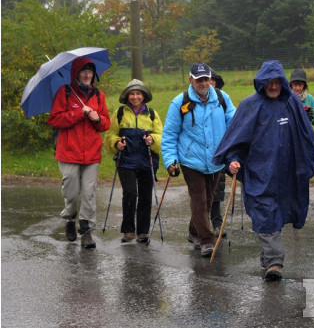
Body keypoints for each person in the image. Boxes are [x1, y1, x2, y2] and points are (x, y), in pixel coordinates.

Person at [213, 60, 314, 281]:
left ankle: (268, 256)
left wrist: (305, 162)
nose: (273, 86)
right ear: (261, 83)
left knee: (277, 214)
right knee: (264, 213)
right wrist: (232, 160)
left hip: (287, 173)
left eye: (277, 82)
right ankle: (274, 262)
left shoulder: (292, 103)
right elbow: (236, 138)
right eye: (268, 82)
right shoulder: (250, 105)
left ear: (283, 83)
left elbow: (305, 136)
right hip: (259, 172)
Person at [161, 62, 236, 257]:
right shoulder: (179, 102)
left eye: (206, 79)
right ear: (190, 80)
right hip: (190, 160)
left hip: (216, 159)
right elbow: (169, 134)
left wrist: (233, 151)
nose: (203, 83)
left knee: (209, 199)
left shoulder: (221, 97)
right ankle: (206, 240)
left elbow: (234, 124)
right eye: (199, 79)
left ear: (211, 80)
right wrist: (171, 160)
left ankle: (194, 231)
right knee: (199, 199)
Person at [48, 56, 110, 249]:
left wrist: (96, 117)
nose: (87, 74)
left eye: (90, 71)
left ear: (94, 75)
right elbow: (55, 120)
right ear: (76, 74)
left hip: (91, 153)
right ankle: (69, 218)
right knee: (72, 192)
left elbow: (105, 124)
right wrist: (78, 113)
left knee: (89, 193)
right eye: (83, 71)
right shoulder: (64, 93)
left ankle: (86, 231)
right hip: (68, 152)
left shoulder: (99, 96)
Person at [105, 79, 163, 243]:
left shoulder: (152, 114)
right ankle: (128, 230)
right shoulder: (120, 113)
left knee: (145, 196)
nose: (135, 97)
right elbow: (110, 135)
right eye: (132, 93)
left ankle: (143, 231)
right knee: (130, 193)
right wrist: (117, 143)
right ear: (127, 96)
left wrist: (152, 139)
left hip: (147, 160)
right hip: (126, 161)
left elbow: (160, 136)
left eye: (138, 93)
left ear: (143, 96)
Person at [208, 68, 227, 238]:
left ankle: (216, 221)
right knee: (200, 193)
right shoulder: (191, 99)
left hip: (219, 150)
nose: (210, 83)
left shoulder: (223, 99)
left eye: (213, 80)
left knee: (218, 188)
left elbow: (232, 120)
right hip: (199, 152)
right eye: (208, 80)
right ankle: (199, 226)